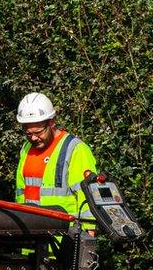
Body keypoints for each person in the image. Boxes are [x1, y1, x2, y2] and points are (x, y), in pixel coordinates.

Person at [14, 93, 97, 221]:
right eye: (28, 133)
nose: (34, 138)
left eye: (38, 132)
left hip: (66, 233)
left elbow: (87, 195)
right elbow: (21, 193)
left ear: (52, 122)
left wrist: (88, 232)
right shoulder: (26, 148)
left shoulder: (75, 149)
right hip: (32, 229)